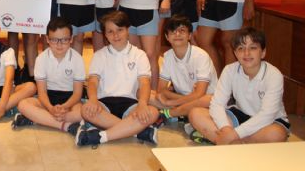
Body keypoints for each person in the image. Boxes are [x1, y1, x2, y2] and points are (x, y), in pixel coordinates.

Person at [188, 27, 289, 145]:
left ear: (263, 52)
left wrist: (235, 134)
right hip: (240, 115)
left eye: (253, 48)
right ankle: (236, 144)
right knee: (195, 114)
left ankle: (227, 142)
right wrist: (225, 128)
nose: (247, 53)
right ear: (235, 53)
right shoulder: (230, 70)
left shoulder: (273, 75)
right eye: (241, 48)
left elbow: (267, 114)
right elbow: (217, 104)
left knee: (276, 134)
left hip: (268, 122)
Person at [76, 11, 159, 147]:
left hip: (131, 104)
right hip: (104, 104)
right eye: (110, 31)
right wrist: (93, 100)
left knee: (152, 112)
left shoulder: (139, 55)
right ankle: (136, 131)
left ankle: (101, 136)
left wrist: (143, 104)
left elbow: (144, 83)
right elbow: (92, 81)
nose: (115, 35)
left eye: (120, 30)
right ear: (105, 34)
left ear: (128, 30)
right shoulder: (99, 55)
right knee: (85, 109)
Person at [12, 17, 85, 134]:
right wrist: (51, 108)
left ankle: (39, 118)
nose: (59, 45)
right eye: (54, 40)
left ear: (71, 39)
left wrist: (64, 107)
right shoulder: (41, 59)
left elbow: (77, 94)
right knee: (23, 105)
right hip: (47, 97)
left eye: (64, 40)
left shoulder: (78, 59)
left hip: (70, 100)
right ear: (47, 39)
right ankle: (65, 126)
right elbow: (42, 93)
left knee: (82, 112)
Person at [150, 15, 217, 123]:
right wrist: (174, 98)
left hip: (201, 100)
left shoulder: (201, 56)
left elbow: (199, 93)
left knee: (208, 100)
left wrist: (170, 102)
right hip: (183, 98)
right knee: (148, 95)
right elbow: (161, 89)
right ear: (167, 37)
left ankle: (172, 113)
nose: (177, 34)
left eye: (182, 31)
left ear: (189, 35)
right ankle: (182, 113)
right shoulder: (167, 56)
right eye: (173, 31)